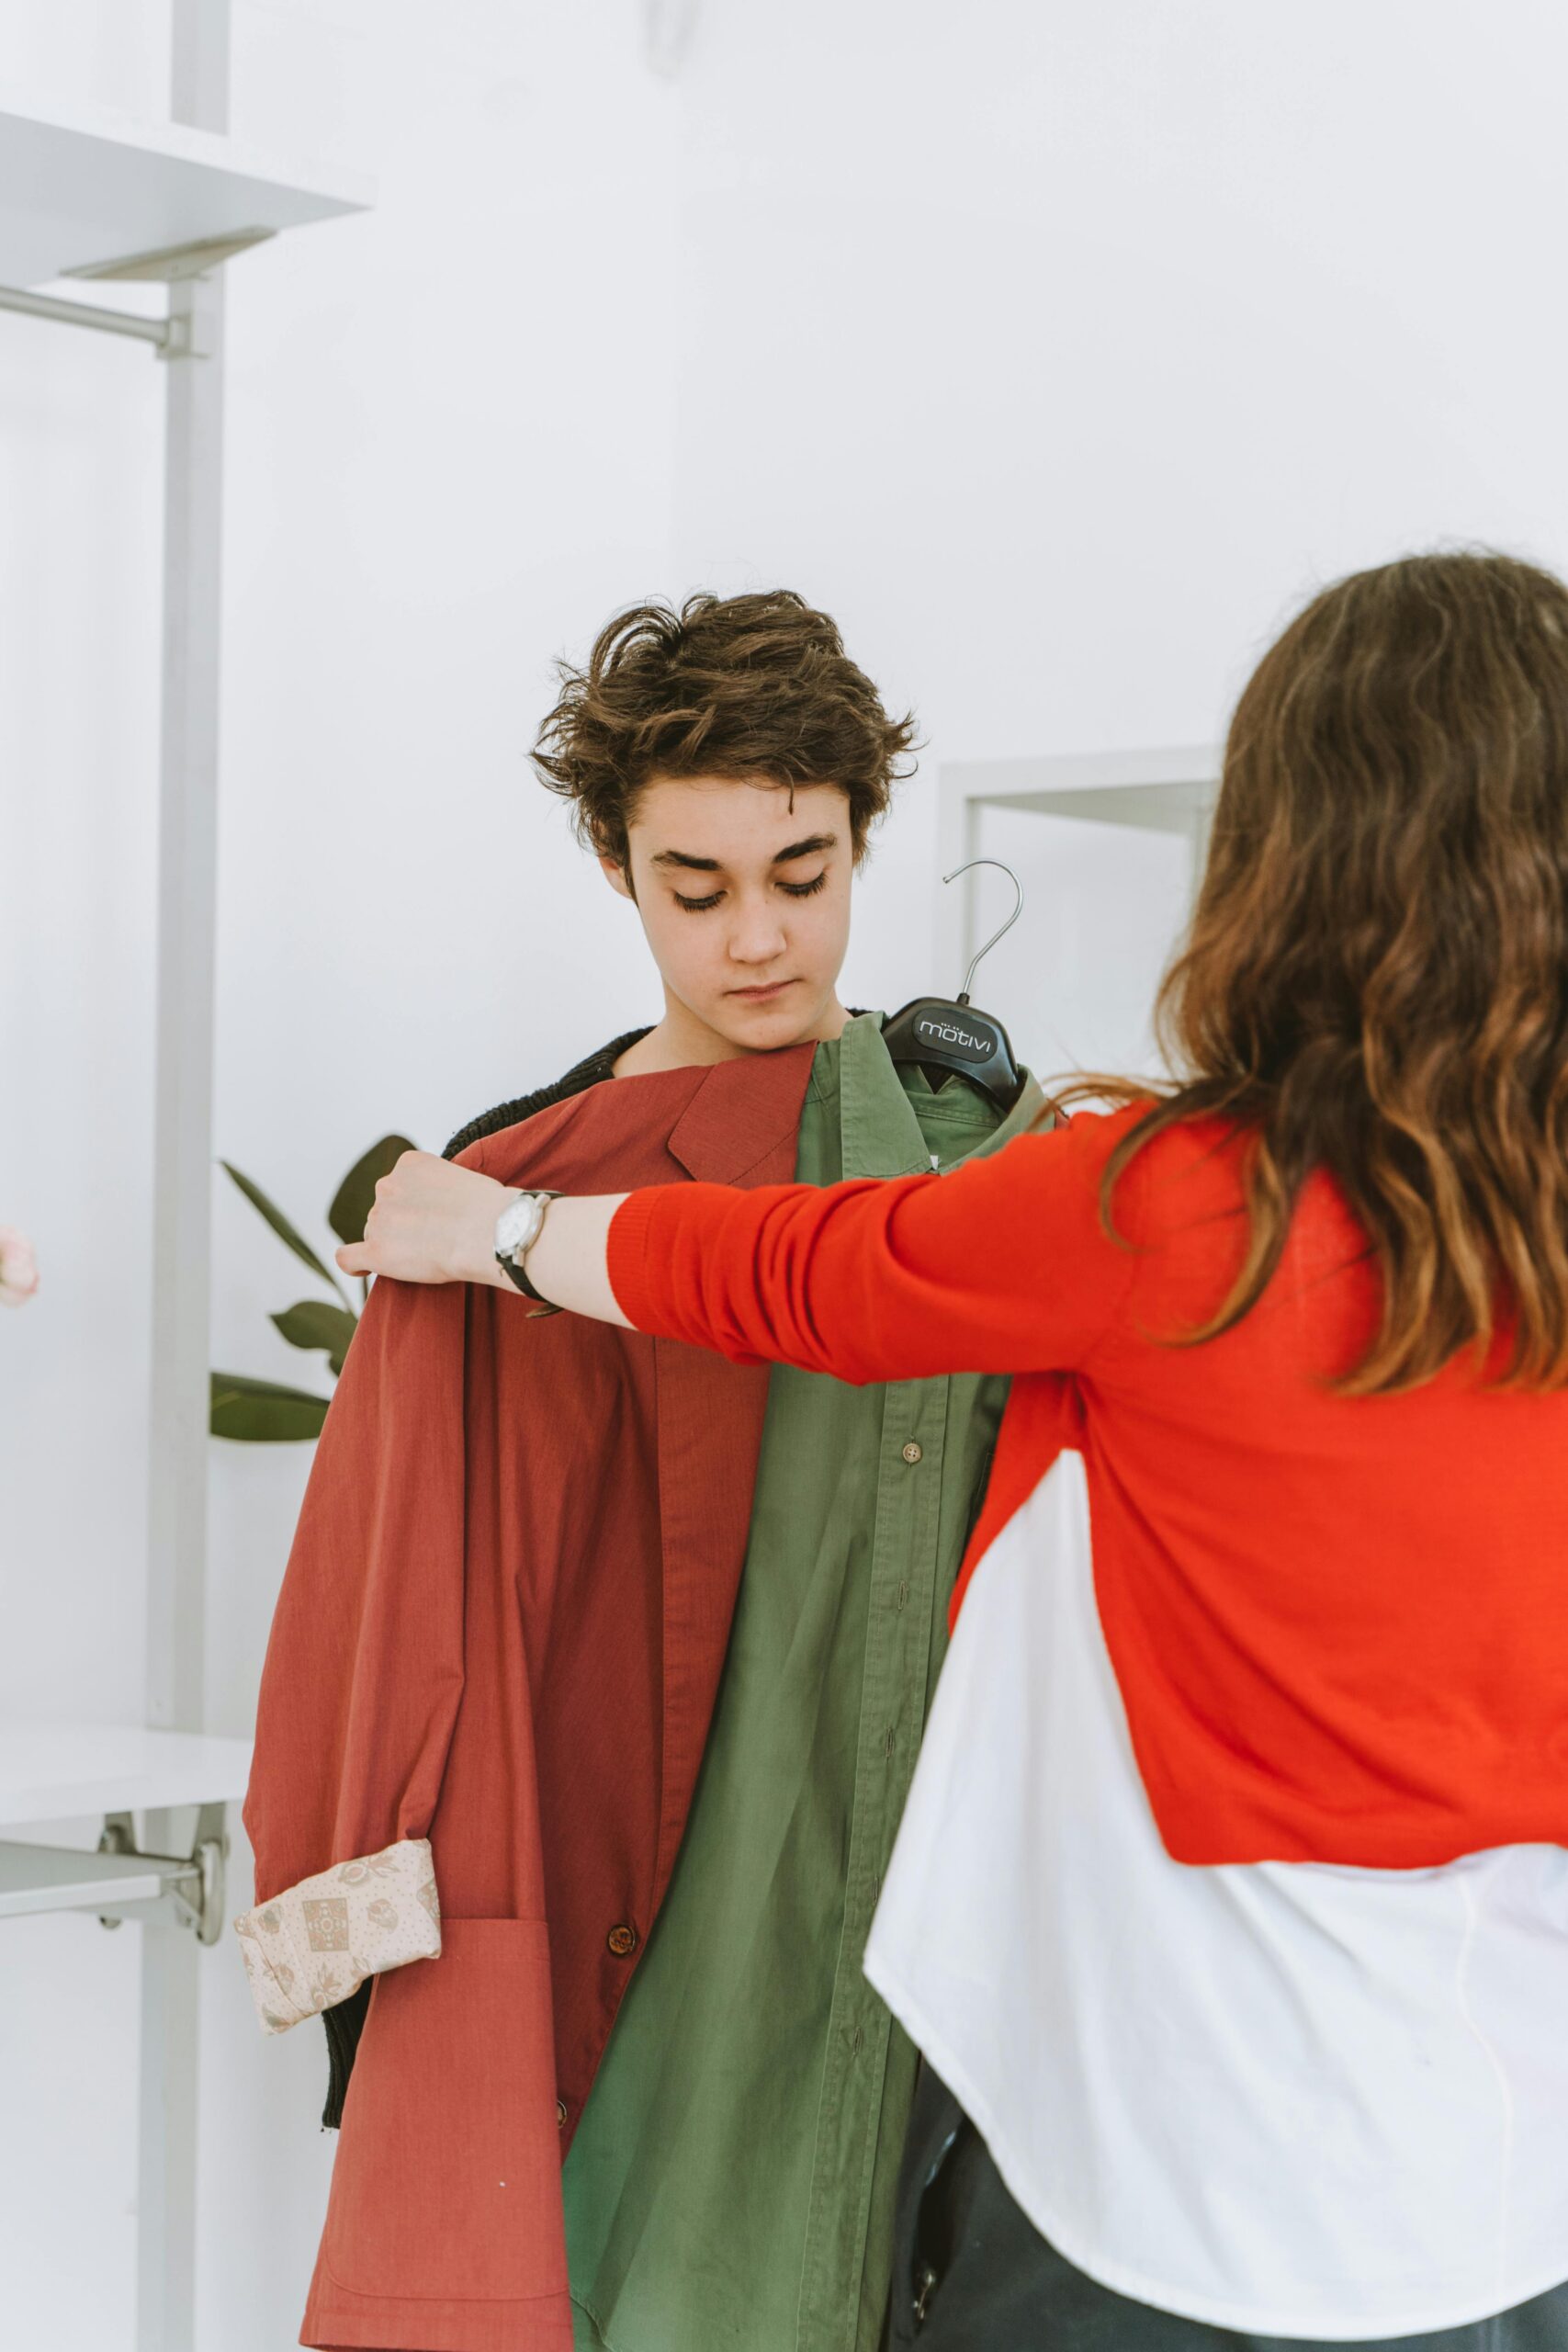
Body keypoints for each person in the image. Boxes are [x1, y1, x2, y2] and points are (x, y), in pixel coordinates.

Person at [347, 550, 1568, 2350]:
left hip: (1176, 2169)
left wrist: (510, 1232)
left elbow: (812, 1273)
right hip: (1504, 2175)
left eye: (801, 872)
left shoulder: (1164, 1206)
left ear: (1286, 857)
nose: (756, 934)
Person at [430, 588, 1046, 2352]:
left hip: (936, 1847)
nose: (759, 938)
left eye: (804, 873)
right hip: (627, 1850)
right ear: (616, 869)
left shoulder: (979, 1170)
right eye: (695, 890)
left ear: (863, 841)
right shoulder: (520, 1183)